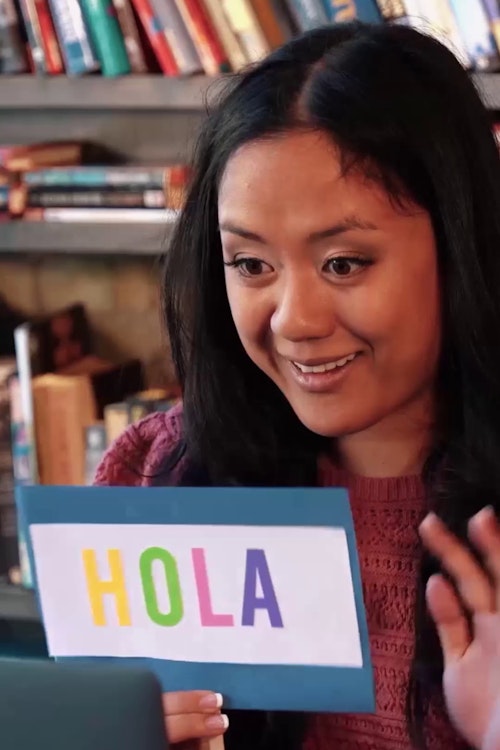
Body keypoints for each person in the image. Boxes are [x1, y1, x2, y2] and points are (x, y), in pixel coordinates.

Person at [95, 20, 500, 750]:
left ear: (459, 246)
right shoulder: (155, 477)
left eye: (343, 263)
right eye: (251, 265)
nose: (294, 321)